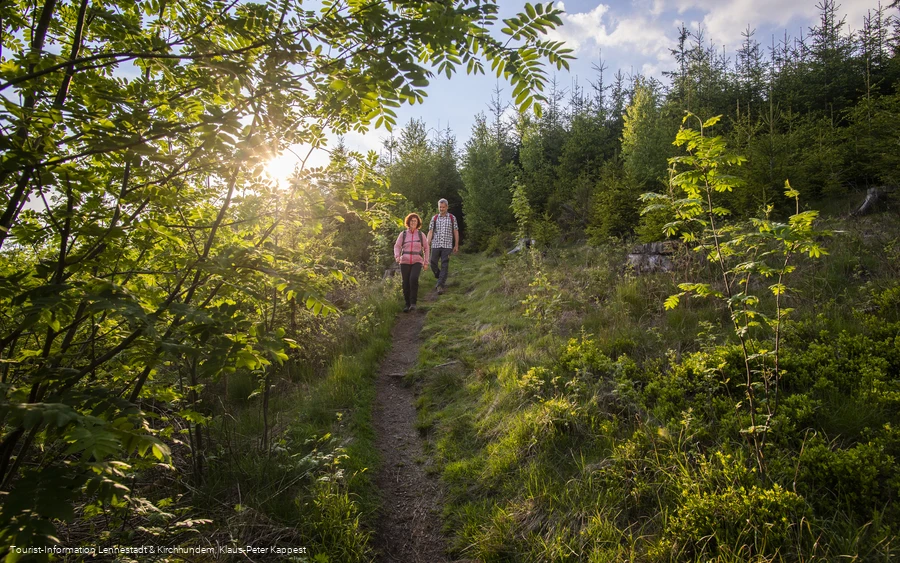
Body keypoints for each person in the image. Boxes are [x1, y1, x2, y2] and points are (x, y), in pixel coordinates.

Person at [393, 213, 429, 312]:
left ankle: (413, 303)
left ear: (418, 223)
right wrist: (397, 256)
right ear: (408, 222)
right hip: (404, 261)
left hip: (417, 261)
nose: (413, 222)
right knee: (405, 282)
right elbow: (397, 246)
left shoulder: (421, 235)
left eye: (415, 221)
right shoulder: (403, 234)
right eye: (411, 221)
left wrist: (426, 262)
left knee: (413, 279)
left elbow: (426, 248)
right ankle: (407, 304)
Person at [426, 198, 459, 295]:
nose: (441, 209)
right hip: (436, 244)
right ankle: (441, 276)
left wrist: (456, 245)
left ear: (447, 207)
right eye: (440, 207)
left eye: (443, 207)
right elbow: (430, 231)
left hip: (447, 245)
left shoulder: (452, 218)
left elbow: (455, 231)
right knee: (433, 262)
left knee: (445, 264)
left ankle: (440, 285)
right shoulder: (434, 218)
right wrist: (427, 244)